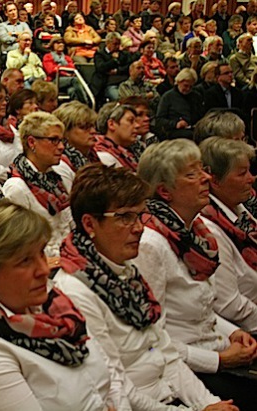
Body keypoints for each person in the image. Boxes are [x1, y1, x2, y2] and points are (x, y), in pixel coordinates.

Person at [55, 163, 238, 411]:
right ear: (89, 224)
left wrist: (207, 403)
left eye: (140, 215)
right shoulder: (75, 291)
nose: (139, 227)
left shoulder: (127, 270)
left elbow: (165, 353)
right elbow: (116, 386)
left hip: (171, 393)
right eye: (125, 217)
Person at [0, 199, 132, 410]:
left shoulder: (55, 305)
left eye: (41, 253)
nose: (43, 269)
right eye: (25, 261)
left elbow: (111, 377)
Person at [135, 139, 257, 411]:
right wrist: (220, 360)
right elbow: (153, 340)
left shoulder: (195, 232)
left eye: (202, 170)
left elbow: (204, 307)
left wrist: (234, 332)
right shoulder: (150, 245)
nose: (205, 178)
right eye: (192, 174)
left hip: (217, 346)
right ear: (165, 191)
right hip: (190, 368)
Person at [199, 137, 257, 332]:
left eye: (249, 171)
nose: (251, 178)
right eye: (242, 173)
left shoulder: (239, 210)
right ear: (214, 179)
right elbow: (229, 305)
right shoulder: (210, 229)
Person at [3, 111, 72, 260]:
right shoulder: (16, 188)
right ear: (32, 142)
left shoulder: (56, 177)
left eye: (62, 141)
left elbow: (68, 224)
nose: (61, 147)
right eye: (54, 140)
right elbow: (19, 245)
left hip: (68, 254)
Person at [52, 101, 99, 191]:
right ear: (65, 132)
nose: (93, 131)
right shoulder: (60, 165)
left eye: (93, 126)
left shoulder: (94, 156)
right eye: (84, 127)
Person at [155, 68, 204, 140]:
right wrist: (175, 124)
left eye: (191, 87)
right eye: (185, 86)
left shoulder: (196, 96)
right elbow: (159, 120)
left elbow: (201, 115)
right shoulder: (168, 96)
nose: (188, 89)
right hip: (175, 131)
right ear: (178, 82)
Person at [94, 103, 139, 170]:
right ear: (111, 124)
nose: (137, 125)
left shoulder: (127, 152)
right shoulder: (104, 156)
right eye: (130, 121)